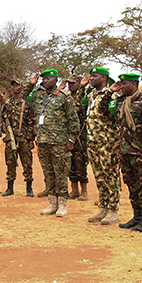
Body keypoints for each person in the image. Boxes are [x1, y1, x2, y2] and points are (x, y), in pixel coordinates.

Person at [32, 70, 77, 218]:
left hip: (59, 141)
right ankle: (52, 203)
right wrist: (30, 84)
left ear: (56, 80)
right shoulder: (39, 96)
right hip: (43, 140)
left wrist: (71, 140)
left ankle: (63, 204)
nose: (45, 81)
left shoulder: (64, 97)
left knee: (61, 172)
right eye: (43, 79)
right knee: (48, 172)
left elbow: (73, 119)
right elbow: (27, 96)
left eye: (49, 79)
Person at [115, 72, 142, 232]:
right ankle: (136, 217)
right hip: (125, 151)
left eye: (125, 84)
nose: (122, 87)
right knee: (131, 185)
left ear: (134, 85)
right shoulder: (122, 102)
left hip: (140, 152)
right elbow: (105, 109)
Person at [82, 67, 121, 225]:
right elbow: (81, 101)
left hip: (107, 142)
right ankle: (104, 207)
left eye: (95, 76)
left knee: (110, 176)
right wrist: (81, 87)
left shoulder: (114, 94)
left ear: (104, 78)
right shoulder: (91, 94)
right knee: (99, 176)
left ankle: (113, 210)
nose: (92, 78)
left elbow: (114, 115)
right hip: (93, 142)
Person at [2, 80, 35, 197]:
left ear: (22, 87)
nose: (15, 87)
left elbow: (32, 123)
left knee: (27, 164)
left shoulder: (26, 104)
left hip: (24, 138)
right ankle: (10, 188)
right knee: (10, 163)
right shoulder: (7, 103)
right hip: (11, 139)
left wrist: (31, 139)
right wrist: (4, 128)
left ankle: (29, 188)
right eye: (13, 85)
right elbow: (2, 119)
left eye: (17, 85)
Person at [66, 74, 90, 202]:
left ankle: (84, 191)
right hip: (69, 135)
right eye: (69, 83)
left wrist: (83, 88)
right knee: (70, 163)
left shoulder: (84, 98)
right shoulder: (67, 98)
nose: (71, 86)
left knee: (81, 163)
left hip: (81, 135)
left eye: (73, 83)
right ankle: (74, 189)